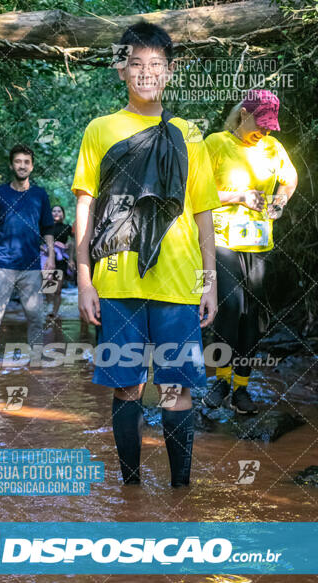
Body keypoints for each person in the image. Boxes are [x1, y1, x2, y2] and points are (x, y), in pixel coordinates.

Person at [72, 22, 221, 486]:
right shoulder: (100, 130)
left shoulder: (189, 134)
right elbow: (86, 205)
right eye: (136, 63)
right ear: (122, 70)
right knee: (127, 387)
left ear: (170, 72)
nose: (145, 73)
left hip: (179, 282)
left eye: (155, 64)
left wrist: (209, 282)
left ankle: (180, 492)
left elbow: (203, 215)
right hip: (117, 280)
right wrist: (83, 278)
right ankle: (130, 489)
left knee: (176, 389)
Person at [204, 90, 298, 414]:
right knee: (230, 308)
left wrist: (281, 200)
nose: (266, 131)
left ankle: (241, 390)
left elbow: (290, 179)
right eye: (262, 124)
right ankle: (220, 382)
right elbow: (196, 193)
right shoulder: (216, 143)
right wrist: (240, 197)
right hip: (222, 240)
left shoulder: (272, 147)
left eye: (271, 126)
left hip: (259, 243)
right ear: (244, 115)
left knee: (253, 319)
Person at [0, 144, 55, 364]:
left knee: (36, 316)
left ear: (32, 166)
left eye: (26, 162)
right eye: (18, 161)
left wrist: (51, 256)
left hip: (32, 265)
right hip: (2, 263)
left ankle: (36, 358)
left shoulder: (40, 195)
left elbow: (47, 229)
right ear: (12, 165)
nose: (22, 166)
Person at [41, 205, 75, 319]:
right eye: (54, 211)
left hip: (61, 259)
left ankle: (54, 313)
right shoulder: (46, 227)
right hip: (46, 258)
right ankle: (49, 307)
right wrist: (44, 248)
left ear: (63, 215)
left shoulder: (67, 228)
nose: (56, 213)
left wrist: (70, 258)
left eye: (59, 211)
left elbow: (73, 242)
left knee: (58, 289)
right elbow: (39, 242)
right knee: (48, 287)